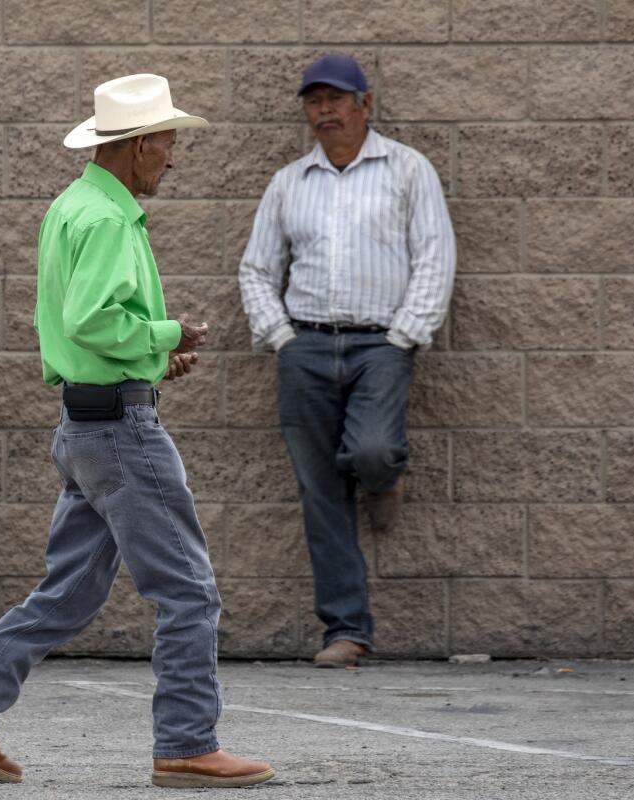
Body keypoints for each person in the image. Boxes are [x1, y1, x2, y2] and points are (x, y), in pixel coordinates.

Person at [0, 74, 275, 789]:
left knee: (70, 593)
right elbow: (92, 321)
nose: (174, 157)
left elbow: (74, 327)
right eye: (169, 142)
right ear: (140, 144)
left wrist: (150, 356)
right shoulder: (111, 220)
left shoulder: (73, 206)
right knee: (189, 591)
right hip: (120, 429)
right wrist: (169, 331)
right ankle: (186, 744)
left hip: (86, 424)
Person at [239, 54, 456, 668]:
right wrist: (281, 337)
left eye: (337, 99)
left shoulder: (408, 170)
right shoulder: (289, 183)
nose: (325, 111)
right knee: (320, 494)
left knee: (371, 450)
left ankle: (383, 477)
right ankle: (346, 631)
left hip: (380, 345)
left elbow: (435, 255)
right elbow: (257, 268)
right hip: (303, 346)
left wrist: (405, 335)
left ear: (366, 105)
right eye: (315, 101)